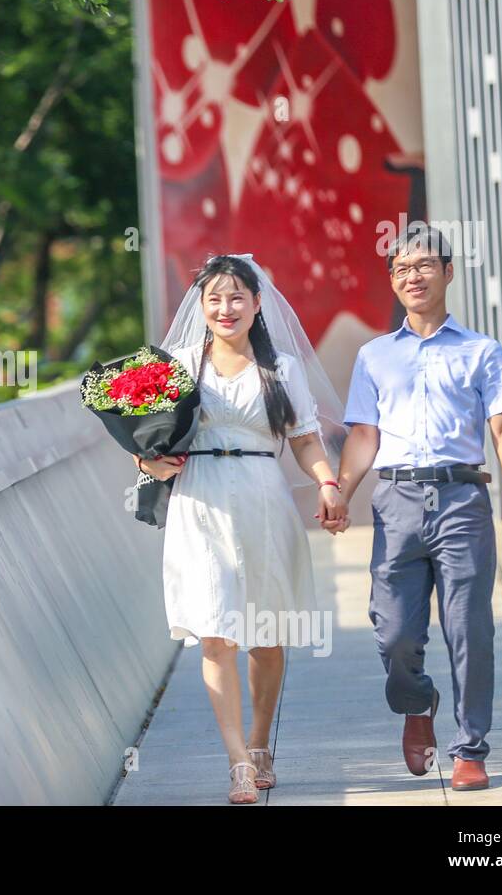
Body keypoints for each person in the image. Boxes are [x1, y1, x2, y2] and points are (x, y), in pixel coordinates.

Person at [327, 224, 502, 791]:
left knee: (470, 629)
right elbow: (363, 436)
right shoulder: (374, 357)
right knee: (394, 632)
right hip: (395, 501)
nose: (412, 276)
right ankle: (417, 704)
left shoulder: (481, 351)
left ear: (448, 272)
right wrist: (340, 492)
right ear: (392, 283)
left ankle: (470, 748)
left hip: (462, 499)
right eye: (400, 269)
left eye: (423, 265)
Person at [136, 253, 347, 803]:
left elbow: (304, 439)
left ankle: (259, 741)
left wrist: (327, 481)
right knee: (215, 630)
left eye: (237, 298)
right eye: (214, 298)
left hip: (262, 497)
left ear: (257, 304)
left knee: (266, 635)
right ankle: (236, 762)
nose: (225, 308)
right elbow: (146, 438)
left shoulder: (282, 368)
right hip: (199, 499)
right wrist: (148, 463)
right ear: (200, 307)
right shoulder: (178, 364)